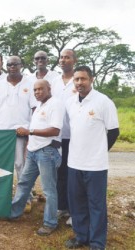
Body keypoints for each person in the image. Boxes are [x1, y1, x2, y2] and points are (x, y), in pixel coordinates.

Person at [64, 66, 119, 250]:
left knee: (96, 205)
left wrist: (100, 151)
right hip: (74, 163)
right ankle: (81, 236)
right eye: (76, 79)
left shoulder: (103, 101)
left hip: (96, 165)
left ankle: (97, 243)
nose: (79, 82)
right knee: (77, 203)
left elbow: (114, 131)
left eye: (83, 79)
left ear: (91, 79)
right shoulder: (70, 103)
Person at [9, 79, 63, 236]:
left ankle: (50, 223)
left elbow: (55, 130)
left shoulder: (56, 104)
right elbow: (35, 128)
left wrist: (29, 133)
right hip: (34, 152)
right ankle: (14, 212)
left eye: (41, 89)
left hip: (47, 153)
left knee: (48, 190)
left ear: (49, 88)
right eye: (35, 90)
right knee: (24, 183)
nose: (37, 92)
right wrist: (28, 146)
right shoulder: (39, 106)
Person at [0, 56, 37, 212]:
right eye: (9, 64)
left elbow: (35, 110)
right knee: (2, 166)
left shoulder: (29, 84)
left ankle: (26, 198)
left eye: (15, 64)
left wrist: (31, 132)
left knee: (20, 165)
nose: (12, 67)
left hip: (21, 132)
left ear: (21, 65)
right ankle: (2, 198)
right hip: (2, 133)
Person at [53, 49, 78, 223]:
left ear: (74, 61)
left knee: (73, 173)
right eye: (61, 57)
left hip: (74, 135)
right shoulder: (54, 81)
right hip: (55, 135)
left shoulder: (79, 80)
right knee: (59, 172)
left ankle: (73, 210)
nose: (63, 60)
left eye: (67, 57)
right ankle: (61, 207)